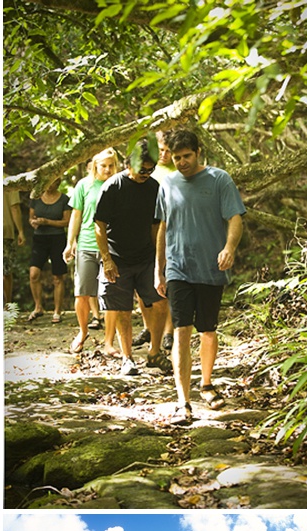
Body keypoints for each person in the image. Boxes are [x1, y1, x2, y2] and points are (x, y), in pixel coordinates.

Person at [155, 129, 246, 424]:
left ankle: (206, 383)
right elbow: (162, 228)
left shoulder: (219, 180)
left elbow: (234, 218)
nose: (181, 162)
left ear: (198, 152)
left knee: (207, 330)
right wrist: (160, 269)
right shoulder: (166, 184)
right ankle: (183, 401)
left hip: (211, 267)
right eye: (176, 157)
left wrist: (229, 247)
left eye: (187, 156)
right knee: (182, 329)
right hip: (178, 267)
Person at [93, 141, 171, 376]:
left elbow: (157, 226)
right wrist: (106, 259)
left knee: (160, 302)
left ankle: (155, 352)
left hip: (146, 256)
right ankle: (127, 358)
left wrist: (160, 260)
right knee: (121, 309)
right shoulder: (113, 187)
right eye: (142, 169)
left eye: (151, 169)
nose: (146, 174)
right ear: (129, 164)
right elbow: (99, 225)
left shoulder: (154, 188)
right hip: (117, 257)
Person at [64, 149, 117, 354]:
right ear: (95, 166)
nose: (107, 169)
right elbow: (76, 216)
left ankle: (109, 342)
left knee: (112, 296)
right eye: (103, 165)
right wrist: (70, 243)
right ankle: (83, 331)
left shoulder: (118, 185)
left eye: (111, 165)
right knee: (82, 295)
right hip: (86, 244)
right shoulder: (83, 185)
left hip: (111, 247)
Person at [134, 130, 177, 351]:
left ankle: (168, 331)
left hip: (169, 230)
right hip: (143, 229)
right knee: (143, 285)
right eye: (161, 150)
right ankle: (148, 327)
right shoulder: (149, 168)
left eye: (169, 151)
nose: (164, 155)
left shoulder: (178, 170)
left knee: (165, 284)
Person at [27, 178, 71, 323]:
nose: (50, 185)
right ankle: (38, 307)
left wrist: (48, 222)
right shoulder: (36, 197)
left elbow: (67, 222)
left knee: (57, 277)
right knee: (34, 273)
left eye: (53, 182)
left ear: (58, 183)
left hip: (57, 239)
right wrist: (34, 223)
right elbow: (31, 217)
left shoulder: (64, 199)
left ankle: (57, 311)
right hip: (39, 239)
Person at [3, 188, 26, 305]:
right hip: (5, 230)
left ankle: (5, 306)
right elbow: (15, 208)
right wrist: (20, 231)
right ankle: (6, 306)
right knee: (6, 271)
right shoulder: (10, 183)